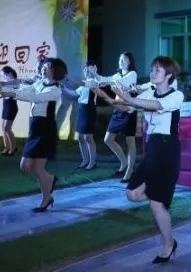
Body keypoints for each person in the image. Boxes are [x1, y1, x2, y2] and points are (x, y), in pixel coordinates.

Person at [102, 56, 184, 264]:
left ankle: (169, 245)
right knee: (132, 194)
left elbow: (155, 105)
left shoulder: (176, 95)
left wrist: (129, 99)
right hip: (152, 148)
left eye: (158, 70)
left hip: (167, 150)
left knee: (156, 204)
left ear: (169, 75)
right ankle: (161, 195)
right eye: (152, 69)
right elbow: (128, 107)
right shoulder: (148, 93)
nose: (153, 73)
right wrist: (107, 97)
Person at [0, 58, 66, 212]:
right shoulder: (40, 83)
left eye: (48, 67)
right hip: (35, 126)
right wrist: (3, 89)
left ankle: (46, 198)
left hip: (45, 129)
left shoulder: (56, 90)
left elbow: (35, 98)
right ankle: (50, 182)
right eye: (44, 66)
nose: (44, 68)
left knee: (34, 167)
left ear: (56, 70)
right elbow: (26, 91)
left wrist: (12, 94)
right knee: (28, 167)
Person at [96, 52, 138, 180]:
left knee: (130, 141)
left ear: (130, 62)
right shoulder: (117, 75)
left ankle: (129, 170)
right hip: (118, 110)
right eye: (120, 59)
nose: (121, 62)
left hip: (128, 109)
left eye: (124, 59)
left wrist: (107, 81)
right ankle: (124, 163)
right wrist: (95, 75)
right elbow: (103, 79)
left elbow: (121, 82)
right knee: (108, 139)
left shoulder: (132, 74)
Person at [63, 61, 102, 170]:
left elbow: (84, 84)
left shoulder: (95, 81)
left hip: (89, 109)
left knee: (88, 137)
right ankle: (85, 160)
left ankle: (92, 162)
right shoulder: (84, 83)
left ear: (93, 69)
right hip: (82, 109)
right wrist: (63, 88)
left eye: (88, 68)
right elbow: (74, 93)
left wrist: (70, 79)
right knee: (80, 137)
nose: (86, 70)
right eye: (85, 69)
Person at [0, 66, 19, 155]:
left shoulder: (15, 81)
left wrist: (2, 85)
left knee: (7, 128)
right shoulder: (6, 82)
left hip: (11, 106)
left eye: (4, 75)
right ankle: (6, 147)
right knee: (3, 128)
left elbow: (13, 91)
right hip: (5, 105)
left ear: (9, 73)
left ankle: (13, 148)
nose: (3, 77)